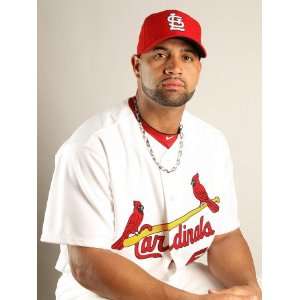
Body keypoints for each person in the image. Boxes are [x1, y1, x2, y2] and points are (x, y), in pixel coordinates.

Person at [41, 9, 261, 300]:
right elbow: (86, 266)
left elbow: (224, 236)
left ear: (198, 69)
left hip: (177, 275)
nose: (174, 67)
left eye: (187, 57)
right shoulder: (91, 147)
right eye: (159, 55)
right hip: (100, 290)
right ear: (136, 65)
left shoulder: (212, 142)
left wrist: (250, 289)